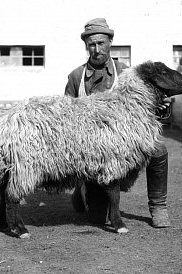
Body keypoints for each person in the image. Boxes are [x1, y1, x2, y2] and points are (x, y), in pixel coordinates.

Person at [64, 18, 171, 228]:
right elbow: (64, 116)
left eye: (101, 43)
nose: (96, 49)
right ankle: (82, 186)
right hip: (90, 151)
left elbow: (148, 108)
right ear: (86, 46)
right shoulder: (76, 77)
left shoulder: (127, 73)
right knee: (97, 219)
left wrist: (161, 106)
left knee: (158, 149)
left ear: (110, 42)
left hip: (126, 142)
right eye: (91, 44)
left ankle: (158, 206)